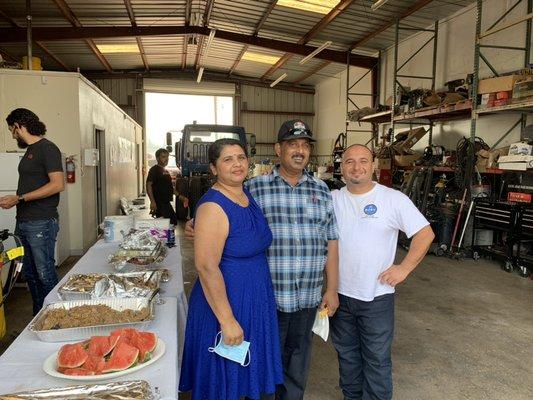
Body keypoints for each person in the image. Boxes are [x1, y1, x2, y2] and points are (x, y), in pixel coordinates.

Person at [186, 120, 339, 400]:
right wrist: (196, 222)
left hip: (297, 295)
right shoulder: (256, 188)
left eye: (305, 145)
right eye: (293, 144)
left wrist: (331, 287)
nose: (299, 150)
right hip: (269, 295)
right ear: (279, 150)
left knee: (292, 362)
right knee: (246, 366)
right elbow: (208, 252)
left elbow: (332, 240)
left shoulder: (320, 190)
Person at [179, 138, 283, 400]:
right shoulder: (214, 206)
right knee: (224, 382)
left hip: (253, 301)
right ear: (214, 168)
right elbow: (205, 266)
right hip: (225, 306)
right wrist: (227, 320)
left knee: (244, 379)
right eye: (228, 159)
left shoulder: (245, 194)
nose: (237, 164)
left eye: (241, 157)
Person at [330, 144, 435, 400]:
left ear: (374, 165)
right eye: (350, 161)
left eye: (363, 161)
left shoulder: (392, 199)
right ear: (341, 167)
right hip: (340, 296)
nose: (357, 167)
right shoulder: (332, 199)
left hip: (377, 297)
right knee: (348, 357)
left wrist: (405, 268)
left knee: (376, 360)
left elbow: (425, 233)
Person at [0, 108, 65, 315]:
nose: (12, 135)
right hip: (25, 220)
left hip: (41, 221)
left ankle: (56, 316)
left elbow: (57, 184)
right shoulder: (29, 150)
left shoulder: (47, 149)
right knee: (30, 274)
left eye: (12, 130)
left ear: (19, 126)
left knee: (45, 273)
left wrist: (19, 198)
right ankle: (39, 316)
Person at [146, 148, 188, 225]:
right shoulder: (154, 170)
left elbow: (170, 188)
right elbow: (149, 185)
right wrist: (152, 202)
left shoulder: (165, 171)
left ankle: (168, 236)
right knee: (167, 224)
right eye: (163, 157)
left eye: (167, 157)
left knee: (172, 222)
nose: (166, 159)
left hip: (166, 203)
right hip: (159, 203)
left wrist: (181, 197)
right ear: (157, 158)